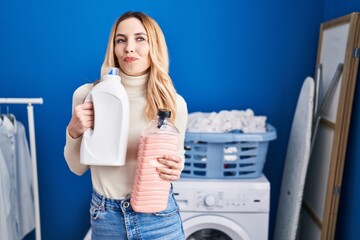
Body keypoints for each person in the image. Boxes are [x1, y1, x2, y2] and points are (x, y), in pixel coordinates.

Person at [64, 11, 188, 239]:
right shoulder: (88, 95)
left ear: (154, 46)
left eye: (140, 39)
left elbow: (172, 168)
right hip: (106, 217)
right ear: (113, 47)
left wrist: (176, 168)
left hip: (159, 218)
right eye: (121, 40)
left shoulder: (172, 103)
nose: (129, 48)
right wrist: (73, 131)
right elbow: (77, 168)